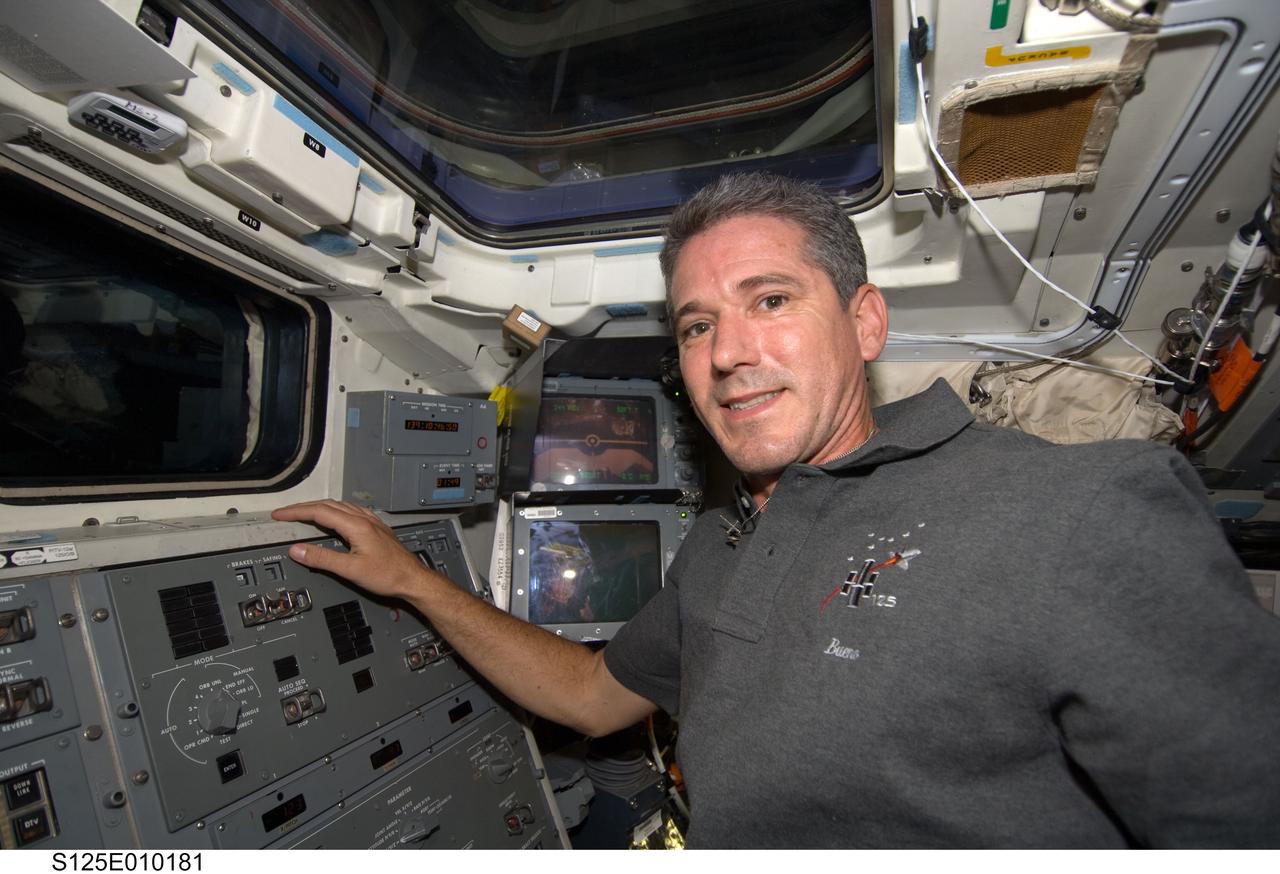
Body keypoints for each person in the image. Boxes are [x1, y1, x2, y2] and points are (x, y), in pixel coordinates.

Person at [275, 172, 1280, 848]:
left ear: (864, 320)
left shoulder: (1080, 507)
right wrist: (412, 579)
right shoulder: (717, 544)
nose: (725, 351)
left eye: (768, 301)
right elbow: (589, 694)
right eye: (696, 324)